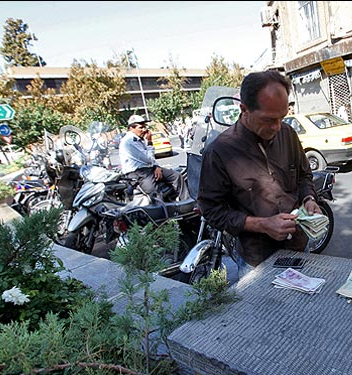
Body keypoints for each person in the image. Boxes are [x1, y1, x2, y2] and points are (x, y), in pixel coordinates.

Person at [198, 71, 322, 278]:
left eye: (282, 118)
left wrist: (309, 198)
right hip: (256, 261)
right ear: (244, 110)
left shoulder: (288, 134)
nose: (277, 127)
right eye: (269, 120)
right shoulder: (219, 152)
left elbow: (303, 176)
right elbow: (211, 210)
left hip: (300, 246)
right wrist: (263, 224)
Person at [119, 114, 188, 201]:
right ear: (131, 128)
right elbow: (148, 158)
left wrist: (157, 167)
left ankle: (186, 203)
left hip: (149, 169)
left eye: (144, 127)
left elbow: (151, 160)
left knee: (177, 176)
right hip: (138, 173)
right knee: (155, 195)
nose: (144, 130)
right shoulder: (129, 141)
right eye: (140, 127)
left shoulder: (139, 139)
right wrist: (150, 142)